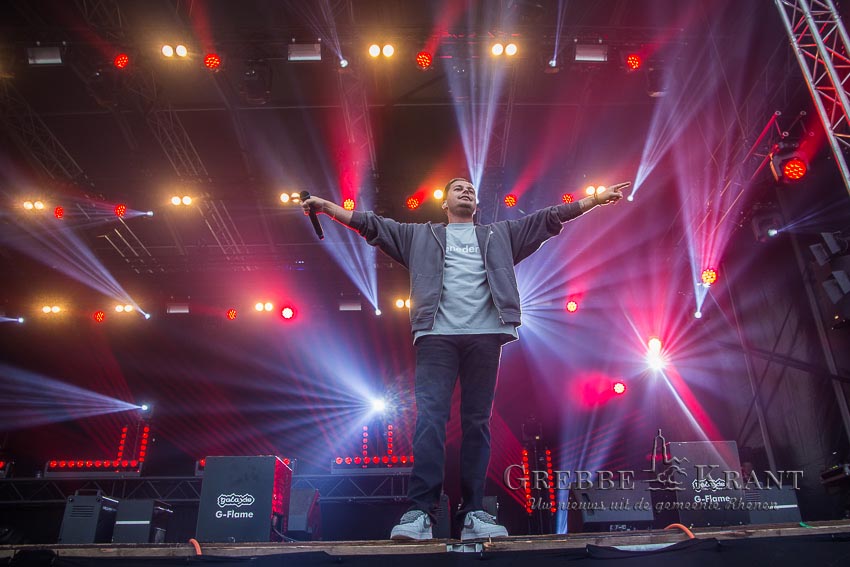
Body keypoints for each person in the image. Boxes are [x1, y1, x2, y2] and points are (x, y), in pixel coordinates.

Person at [302, 178, 628, 540]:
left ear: (477, 204)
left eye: (470, 188)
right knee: (430, 420)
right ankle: (420, 512)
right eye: (457, 188)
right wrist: (328, 208)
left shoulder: (500, 235)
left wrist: (593, 200)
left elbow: (548, 217)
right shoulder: (420, 236)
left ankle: (473, 512)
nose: (466, 191)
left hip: (485, 335)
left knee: (477, 423)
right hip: (436, 335)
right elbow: (371, 225)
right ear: (444, 203)